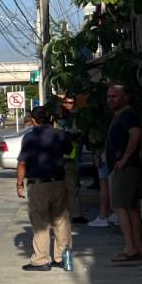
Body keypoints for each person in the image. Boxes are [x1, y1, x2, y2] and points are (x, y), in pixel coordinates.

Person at [16, 107, 71, 271]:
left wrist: (19, 183)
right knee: (61, 221)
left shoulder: (30, 136)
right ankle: (63, 258)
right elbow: (69, 151)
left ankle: (41, 260)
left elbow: (22, 162)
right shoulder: (60, 134)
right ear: (50, 119)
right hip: (59, 182)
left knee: (40, 222)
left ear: (33, 120)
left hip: (38, 184)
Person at [104, 85, 142, 262]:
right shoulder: (120, 116)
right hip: (121, 167)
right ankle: (137, 246)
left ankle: (130, 248)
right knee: (131, 208)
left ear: (126, 97)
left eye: (115, 96)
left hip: (125, 169)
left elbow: (135, 134)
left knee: (120, 207)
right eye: (109, 96)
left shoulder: (127, 115)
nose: (111, 99)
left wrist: (125, 158)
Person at [58, 95, 87, 223]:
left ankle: (75, 214)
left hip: (72, 157)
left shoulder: (77, 118)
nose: (68, 104)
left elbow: (81, 134)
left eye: (71, 102)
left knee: (72, 186)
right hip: (60, 158)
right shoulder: (58, 118)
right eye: (66, 102)